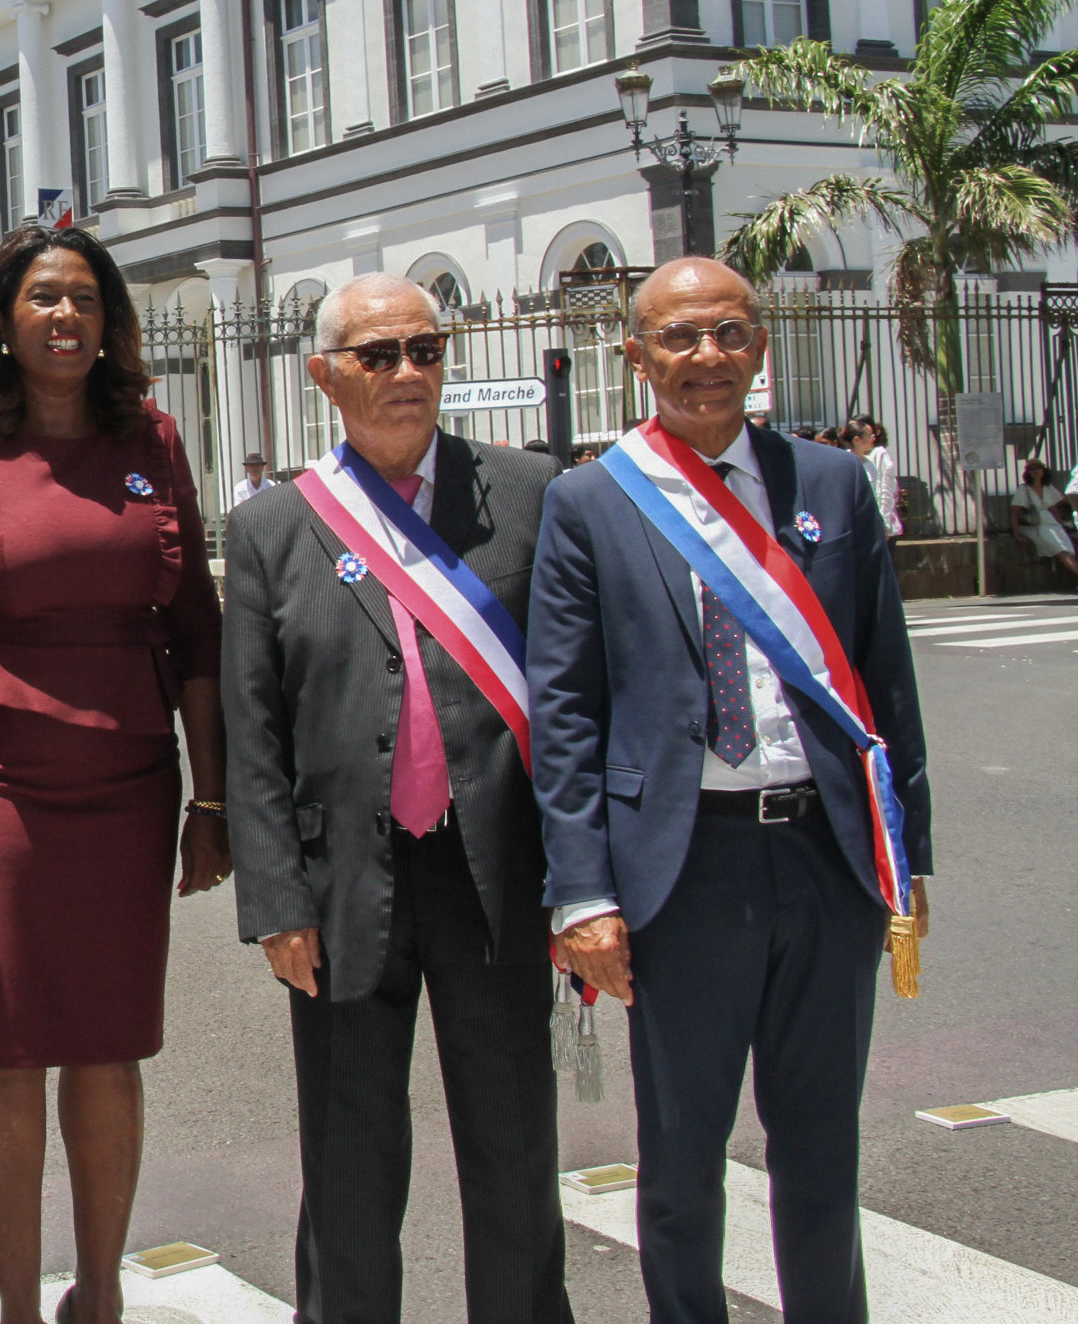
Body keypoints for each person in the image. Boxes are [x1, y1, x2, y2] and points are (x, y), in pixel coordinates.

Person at [531, 257, 929, 1324]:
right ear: (636, 355)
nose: (706, 357)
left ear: (758, 343)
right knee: (680, 1165)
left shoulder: (829, 485)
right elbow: (563, 713)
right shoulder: (590, 501)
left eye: (727, 332)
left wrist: (908, 857)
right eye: (678, 337)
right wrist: (581, 895)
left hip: (825, 862)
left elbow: (885, 680)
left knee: (819, 1154)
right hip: (682, 867)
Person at [0, 225, 229, 1324]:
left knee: (109, 1043)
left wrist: (209, 800)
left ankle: (101, 1295)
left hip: (129, 786)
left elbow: (197, 635)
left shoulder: (152, 437)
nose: (64, 317)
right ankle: (20, 1310)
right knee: (6, 1048)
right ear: (2, 318)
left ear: (110, 320)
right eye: (41, 298)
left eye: (83, 298)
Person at [221, 273, 571, 1324]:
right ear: (325, 375)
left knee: (513, 1146)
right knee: (348, 1153)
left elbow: (568, 696)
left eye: (424, 349)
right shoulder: (273, 527)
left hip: (493, 874)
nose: (407, 373)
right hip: (340, 888)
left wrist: (582, 882)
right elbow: (253, 728)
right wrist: (275, 902)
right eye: (379, 355)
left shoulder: (526, 494)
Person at [1013, 458, 1078, 580]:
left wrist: (1062, 525)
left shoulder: (1047, 488)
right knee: (1063, 552)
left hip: (1052, 524)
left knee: (1069, 552)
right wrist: (1017, 534)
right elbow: (1014, 511)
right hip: (1036, 526)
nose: (1035, 471)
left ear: (1043, 470)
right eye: (1031, 469)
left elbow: (1055, 506)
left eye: (1038, 468)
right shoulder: (1024, 489)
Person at [844, 419, 903, 539]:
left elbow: (879, 494)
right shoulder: (844, 461)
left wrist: (883, 522)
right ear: (857, 439)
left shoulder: (870, 464)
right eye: (869, 435)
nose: (873, 438)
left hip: (869, 523)